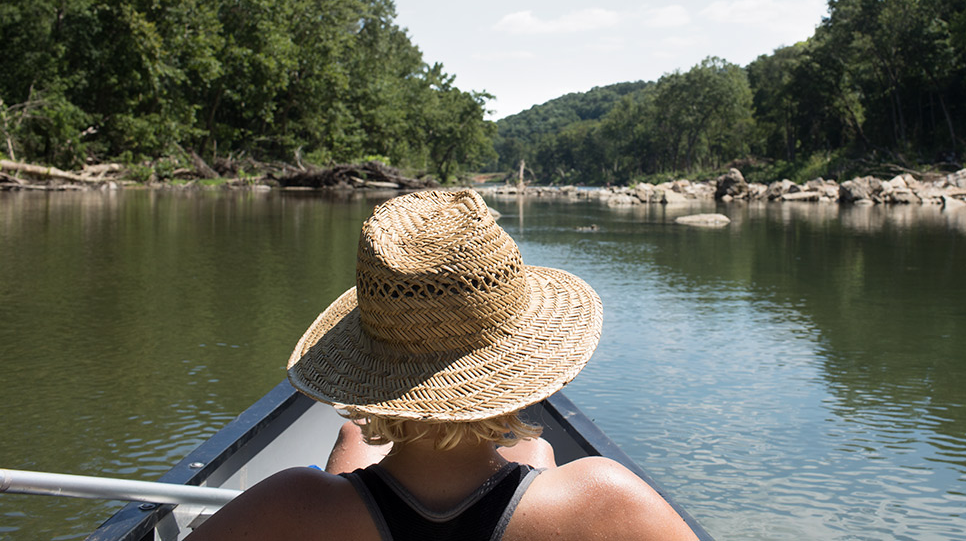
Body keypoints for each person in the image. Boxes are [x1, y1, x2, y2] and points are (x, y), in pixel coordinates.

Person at [190, 189, 698, 541]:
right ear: (521, 364)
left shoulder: (286, 507)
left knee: (350, 444)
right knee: (537, 450)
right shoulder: (605, 502)